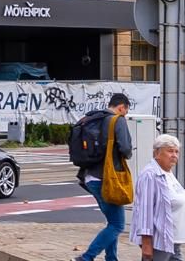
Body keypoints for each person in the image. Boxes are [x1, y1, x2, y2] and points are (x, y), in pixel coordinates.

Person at [74, 92, 133, 261]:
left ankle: (111, 258)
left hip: (90, 177)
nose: (125, 115)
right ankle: (86, 258)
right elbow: (126, 148)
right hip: (108, 179)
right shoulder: (117, 120)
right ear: (121, 107)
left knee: (111, 222)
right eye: (126, 111)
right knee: (117, 224)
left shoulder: (93, 118)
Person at [129, 134, 185, 261]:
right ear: (157, 153)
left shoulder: (167, 172)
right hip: (160, 241)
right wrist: (146, 243)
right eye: (170, 151)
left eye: (176, 151)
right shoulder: (150, 175)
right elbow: (145, 212)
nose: (174, 155)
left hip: (173, 239)